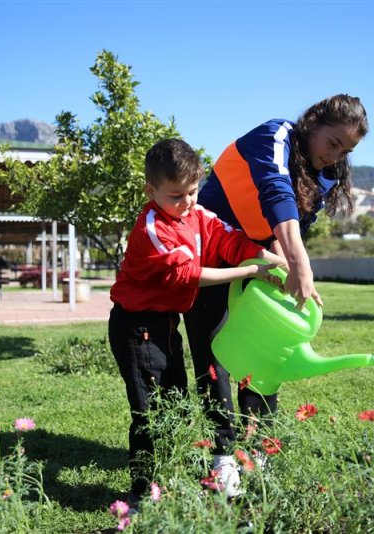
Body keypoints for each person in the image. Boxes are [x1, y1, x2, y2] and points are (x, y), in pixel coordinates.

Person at [183, 94, 369, 496]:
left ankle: (258, 452)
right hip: (212, 262)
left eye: (346, 150)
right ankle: (223, 457)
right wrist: (300, 263)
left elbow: (292, 227)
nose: (335, 155)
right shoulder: (275, 135)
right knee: (214, 357)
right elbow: (275, 191)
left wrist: (293, 273)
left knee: (266, 355)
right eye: (333, 143)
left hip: (261, 259)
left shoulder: (325, 174)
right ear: (313, 122)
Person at [108, 138, 286, 507]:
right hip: (137, 328)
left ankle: (167, 483)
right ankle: (143, 494)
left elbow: (230, 241)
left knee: (174, 401)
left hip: (165, 325)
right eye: (176, 195)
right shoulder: (153, 228)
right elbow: (187, 275)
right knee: (150, 411)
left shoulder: (199, 215)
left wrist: (272, 259)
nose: (187, 202)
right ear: (150, 190)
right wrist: (251, 270)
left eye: (192, 192)